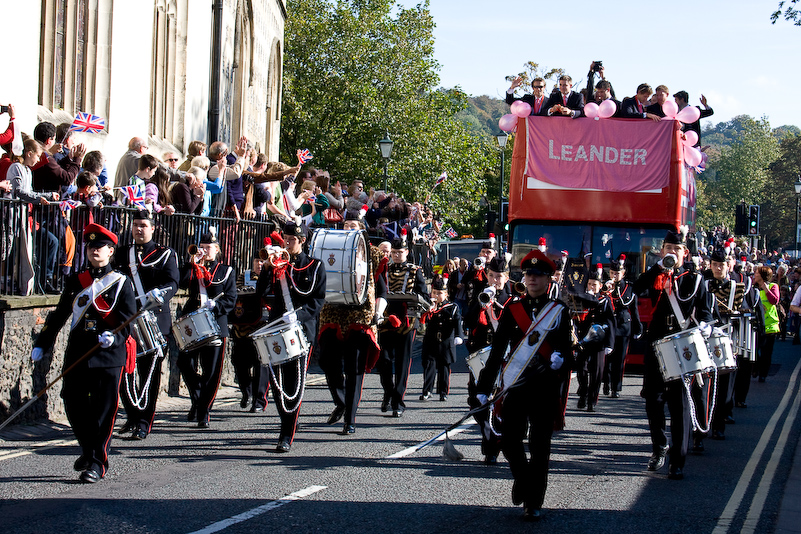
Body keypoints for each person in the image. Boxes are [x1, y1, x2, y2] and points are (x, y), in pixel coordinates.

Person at [31, 223, 137, 483]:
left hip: (108, 355)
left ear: (111, 251)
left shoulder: (122, 282)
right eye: (90, 247)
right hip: (79, 351)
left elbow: (128, 319)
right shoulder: (78, 280)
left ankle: (97, 462)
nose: (94, 251)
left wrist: (115, 336)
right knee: (73, 402)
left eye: (100, 247)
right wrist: (43, 342)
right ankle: (88, 448)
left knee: (104, 409)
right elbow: (60, 314)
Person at [475, 249, 572, 520]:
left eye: (537, 275)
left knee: (540, 444)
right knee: (509, 441)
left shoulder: (559, 311)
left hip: (544, 386)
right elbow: (497, 351)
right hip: (516, 383)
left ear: (548, 279)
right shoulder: (513, 309)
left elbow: (568, 350)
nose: (531, 279)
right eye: (528, 274)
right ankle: (523, 478)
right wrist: (483, 388)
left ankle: (534, 502)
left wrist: (559, 358)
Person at [633, 229, 713, 480]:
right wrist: (657, 268)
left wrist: (705, 325)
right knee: (652, 400)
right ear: (661, 250)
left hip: (681, 346)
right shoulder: (655, 274)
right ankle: (659, 446)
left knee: (679, 404)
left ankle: (677, 460)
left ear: (684, 253)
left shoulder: (694, 279)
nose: (672, 252)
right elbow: (637, 288)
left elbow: (706, 311)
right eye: (668, 248)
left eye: (676, 249)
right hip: (657, 343)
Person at [256, 221, 326, 451]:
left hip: (301, 330)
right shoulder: (276, 264)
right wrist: (267, 268)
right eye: (285, 238)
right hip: (277, 327)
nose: (287, 242)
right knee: (277, 383)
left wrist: (300, 316)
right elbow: (261, 294)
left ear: (302, 241)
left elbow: (317, 300)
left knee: (294, 382)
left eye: (292, 239)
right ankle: (284, 420)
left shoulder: (315, 266)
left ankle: (286, 434)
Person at [319, 213, 387, 434]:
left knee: (354, 369)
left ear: (361, 229)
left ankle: (350, 419)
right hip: (333, 313)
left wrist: (378, 312)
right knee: (328, 362)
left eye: (353, 225)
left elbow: (382, 290)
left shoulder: (373, 253)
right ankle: (340, 401)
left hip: (360, 316)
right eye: (346, 225)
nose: (348, 228)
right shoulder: (330, 247)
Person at [114, 210, 179, 439]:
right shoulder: (122, 254)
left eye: (143, 225)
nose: (139, 229)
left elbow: (172, 282)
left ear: (152, 228)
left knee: (148, 375)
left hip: (154, 322)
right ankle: (132, 415)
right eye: (135, 225)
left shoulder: (164, 254)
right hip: (128, 322)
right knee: (123, 372)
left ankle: (144, 422)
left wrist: (160, 294)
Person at [176, 229, 237, 428]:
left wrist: (216, 306)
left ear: (217, 249)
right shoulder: (194, 267)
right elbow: (182, 282)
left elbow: (230, 298)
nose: (204, 250)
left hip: (215, 320)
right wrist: (191, 261)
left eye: (208, 247)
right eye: (201, 247)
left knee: (212, 370)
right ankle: (198, 397)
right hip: (193, 319)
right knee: (184, 362)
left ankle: (204, 410)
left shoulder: (225, 270)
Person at [463, 256, 513, 464]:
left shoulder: (513, 297)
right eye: (491, 276)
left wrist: (497, 304)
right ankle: (488, 435)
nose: (494, 280)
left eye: (499, 277)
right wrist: (480, 304)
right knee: (476, 400)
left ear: (506, 277)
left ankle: (492, 447)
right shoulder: (481, 293)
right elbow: (468, 320)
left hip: (504, 356)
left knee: (500, 402)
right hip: (481, 354)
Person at [378, 236, 430, 417]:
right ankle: (388, 391)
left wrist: (414, 298)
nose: (397, 255)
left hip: (407, 321)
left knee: (402, 363)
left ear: (407, 252)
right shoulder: (384, 269)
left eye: (400, 252)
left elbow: (424, 295)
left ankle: (398, 401)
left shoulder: (416, 271)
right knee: (383, 360)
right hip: (385, 320)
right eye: (394, 252)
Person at [7, 138, 60, 293]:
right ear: (29, 153)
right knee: (12, 248)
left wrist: (49, 195)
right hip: (13, 215)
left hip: (23, 216)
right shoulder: (16, 167)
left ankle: (20, 283)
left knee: (22, 249)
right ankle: (9, 282)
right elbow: (18, 192)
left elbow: (29, 192)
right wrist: (38, 199)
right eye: (37, 156)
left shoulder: (28, 171)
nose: (38, 159)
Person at [704, 248, 745, 440]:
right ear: (710, 266)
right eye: (715, 265)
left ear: (728, 266)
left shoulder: (736, 288)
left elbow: (738, 313)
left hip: (725, 340)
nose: (719, 268)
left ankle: (719, 425)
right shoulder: (703, 285)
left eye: (722, 265)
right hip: (704, 340)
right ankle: (702, 427)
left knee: (722, 387)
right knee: (704, 386)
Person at [229, 253, 271, 413]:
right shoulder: (244, 276)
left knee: (261, 365)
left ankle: (259, 400)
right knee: (240, 365)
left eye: (262, 261)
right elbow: (237, 293)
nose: (259, 264)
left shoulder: (271, 275)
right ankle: (246, 392)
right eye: (257, 261)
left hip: (261, 329)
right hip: (242, 330)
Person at [575, 265, 615, 412]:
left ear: (600, 285)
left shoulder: (604, 300)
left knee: (597, 371)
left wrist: (610, 343)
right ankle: (583, 394)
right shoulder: (580, 298)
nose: (592, 286)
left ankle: (592, 399)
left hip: (599, 340)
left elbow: (611, 322)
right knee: (582, 368)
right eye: (590, 284)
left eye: (595, 284)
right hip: (583, 338)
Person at [419, 274, 464, 402]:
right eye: (434, 293)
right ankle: (427, 390)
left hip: (445, 341)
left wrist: (459, 336)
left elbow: (457, 321)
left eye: (439, 293)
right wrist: (430, 309)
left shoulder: (452, 308)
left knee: (444, 367)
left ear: (446, 294)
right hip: (431, 341)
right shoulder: (429, 307)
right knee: (429, 366)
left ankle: (443, 392)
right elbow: (423, 321)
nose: (436, 296)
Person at [603, 254, 641, 398]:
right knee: (607, 358)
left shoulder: (629, 288)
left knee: (620, 359)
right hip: (608, 325)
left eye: (617, 273)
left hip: (623, 326)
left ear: (623, 273)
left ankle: (616, 388)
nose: (615, 275)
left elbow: (634, 309)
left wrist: (638, 328)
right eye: (612, 273)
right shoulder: (606, 286)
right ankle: (606, 382)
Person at [754, 266, 780, 382]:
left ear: (762, 276)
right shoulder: (753, 288)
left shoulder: (773, 286)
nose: (755, 274)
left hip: (770, 326)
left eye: (757, 272)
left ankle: (763, 374)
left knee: (766, 353)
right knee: (754, 350)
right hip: (756, 325)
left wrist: (765, 288)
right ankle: (756, 368)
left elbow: (774, 300)